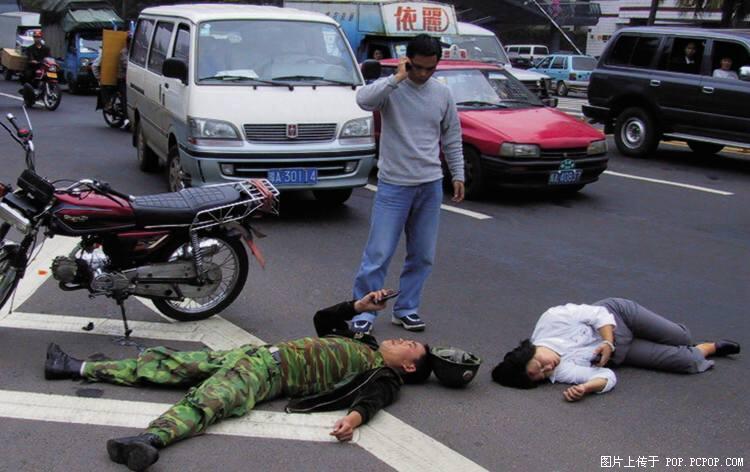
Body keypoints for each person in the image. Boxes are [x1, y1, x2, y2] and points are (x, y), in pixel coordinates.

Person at [44, 289, 433, 471]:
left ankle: (149, 441)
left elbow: (373, 399)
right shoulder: (363, 343)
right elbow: (323, 320)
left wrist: (353, 419)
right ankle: (75, 367)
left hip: (267, 375)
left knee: (209, 400)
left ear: (410, 367)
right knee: (167, 364)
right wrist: (358, 306)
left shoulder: (383, 375)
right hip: (253, 354)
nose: (402, 340)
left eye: (410, 346)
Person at [351, 34, 465, 335]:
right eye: (417, 67)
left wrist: (458, 174)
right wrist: (397, 77)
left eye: (430, 68)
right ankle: (364, 311)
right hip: (394, 185)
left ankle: (406, 309)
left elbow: (451, 136)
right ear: (407, 61)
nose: (423, 74)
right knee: (378, 255)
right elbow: (363, 100)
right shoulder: (392, 88)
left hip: (430, 184)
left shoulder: (442, 93)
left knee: (423, 255)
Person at [491, 298, 740, 402]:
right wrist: (587, 388)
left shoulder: (552, 319)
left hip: (617, 317)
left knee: (680, 337)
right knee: (686, 362)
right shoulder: (560, 372)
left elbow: (598, 314)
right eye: (544, 375)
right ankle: (709, 348)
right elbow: (606, 375)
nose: (549, 368)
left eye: (540, 365)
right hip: (619, 353)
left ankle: (683, 339)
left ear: (530, 350)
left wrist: (608, 343)